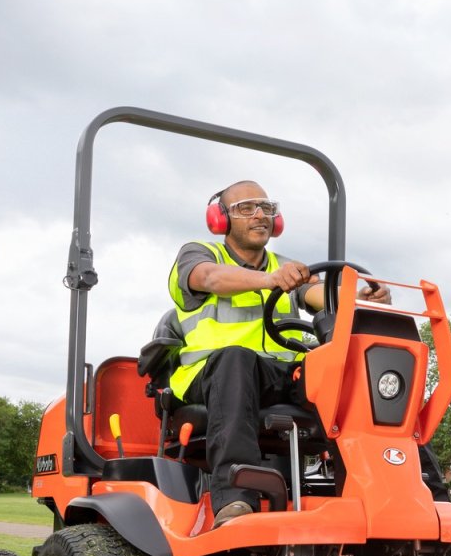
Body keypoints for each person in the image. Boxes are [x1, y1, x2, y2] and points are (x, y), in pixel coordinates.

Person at [167, 180, 390, 527]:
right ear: (220, 218)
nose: (259, 215)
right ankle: (236, 500)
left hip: (281, 374)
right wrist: (272, 280)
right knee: (235, 357)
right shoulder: (199, 255)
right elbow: (210, 278)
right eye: (246, 208)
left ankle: (416, 496)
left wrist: (360, 296)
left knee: (358, 375)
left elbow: (321, 296)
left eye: (267, 208)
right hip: (212, 374)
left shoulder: (288, 266)